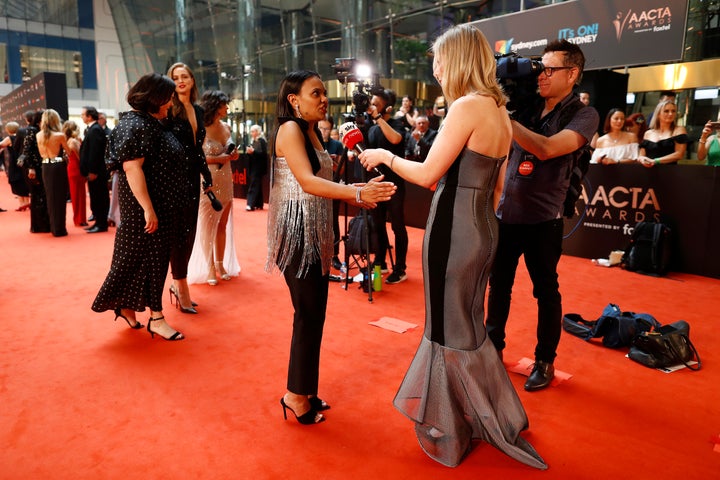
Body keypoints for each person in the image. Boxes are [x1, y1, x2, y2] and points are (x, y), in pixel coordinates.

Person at [360, 24, 546, 469]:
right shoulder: (499, 111)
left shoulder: (466, 107)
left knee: (445, 328)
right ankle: (487, 414)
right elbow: (499, 189)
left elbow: (426, 175)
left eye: (439, 61)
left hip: (453, 231)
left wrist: (384, 157)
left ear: (458, 61)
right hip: (483, 229)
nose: (436, 70)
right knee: (469, 326)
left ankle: (452, 427)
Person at [267, 70, 396, 425]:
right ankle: (294, 395)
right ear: (294, 100)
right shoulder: (291, 129)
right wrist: (357, 194)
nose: (324, 99)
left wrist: (356, 186)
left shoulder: (310, 131)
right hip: (297, 232)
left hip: (316, 232)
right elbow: (307, 183)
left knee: (313, 315)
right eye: (316, 93)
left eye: (325, 92)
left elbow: (321, 181)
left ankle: (304, 388)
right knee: (307, 315)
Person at [486, 40, 599, 392]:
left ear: (573, 74)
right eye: (540, 68)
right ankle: (492, 350)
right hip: (508, 215)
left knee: (546, 292)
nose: (542, 75)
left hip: (543, 220)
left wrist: (503, 117)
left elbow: (547, 149)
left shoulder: (584, 114)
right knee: (498, 288)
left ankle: (545, 360)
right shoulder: (527, 104)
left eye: (550, 69)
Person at [92, 73, 186, 341]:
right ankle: (156, 317)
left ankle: (126, 306)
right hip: (147, 207)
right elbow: (132, 169)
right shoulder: (137, 125)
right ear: (154, 98)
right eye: (167, 99)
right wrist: (148, 208)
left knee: (141, 260)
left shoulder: (146, 122)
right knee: (148, 261)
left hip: (157, 204)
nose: (170, 104)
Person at [167, 62, 213, 314]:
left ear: (192, 80)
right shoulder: (169, 110)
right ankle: (180, 286)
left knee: (189, 233)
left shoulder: (197, 109)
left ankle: (179, 284)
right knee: (178, 233)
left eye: (185, 76)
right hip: (174, 179)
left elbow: (197, 149)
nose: (181, 80)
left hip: (192, 178)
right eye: (175, 77)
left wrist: (206, 175)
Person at [187, 90, 241, 286]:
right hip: (207, 181)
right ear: (215, 106)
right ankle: (209, 266)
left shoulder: (226, 127)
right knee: (207, 225)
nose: (227, 108)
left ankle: (220, 264)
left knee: (222, 224)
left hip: (226, 179)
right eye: (225, 104)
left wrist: (233, 155)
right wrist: (218, 158)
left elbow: (231, 151)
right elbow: (194, 157)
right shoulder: (199, 127)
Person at [366, 88, 408, 284]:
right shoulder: (372, 127)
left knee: (398, 226)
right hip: (376, 185)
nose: (372, 107)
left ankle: (400, 268)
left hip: (395, 185)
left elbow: (395, 139)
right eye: (371, 103)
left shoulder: (396, 124)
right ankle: (379, 263)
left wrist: (378, 119)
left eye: (376, 104)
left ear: (388, 107)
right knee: (377, 226)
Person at [36, 109, 71, 237]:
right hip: (57, 167)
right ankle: (59, 229)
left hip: (45, 166)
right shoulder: (59, 135)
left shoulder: (38, 135)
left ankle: (54, 227)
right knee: (60, 197)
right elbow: (69, 151)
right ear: (55, 120)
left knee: (51, 197)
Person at [318, 117, 345, 269]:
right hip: (317, 187)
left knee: (333, 222)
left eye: (327, 129)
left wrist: (330, 161)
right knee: (318, 222)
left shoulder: (337, 145)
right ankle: (319, 254)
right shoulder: (314, 142)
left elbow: (340, 169)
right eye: (321, 128)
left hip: (334, 187)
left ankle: (334, 255)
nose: (323, 132)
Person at [79, 106, 109, 233]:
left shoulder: (95, 129)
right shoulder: (93, 129)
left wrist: (93, 171)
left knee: (99, 197)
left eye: (83, 114)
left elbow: (95, 153)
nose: (81, 116)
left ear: (89, 116)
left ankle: (101, 224)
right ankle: (98, 222)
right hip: (95, 172)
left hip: (96, 172)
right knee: (96, 197)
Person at [21, 109, 51, 233]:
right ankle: (40, 226)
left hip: (42, 166)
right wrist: (31, 168)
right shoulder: (32, 130)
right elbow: (27, 150)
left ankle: (43, 224)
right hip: (35, 168)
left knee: (42, 196)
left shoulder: (39, 130)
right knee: (39, 196)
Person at [638, 100, 688, 167]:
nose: (670, 114)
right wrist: (642, 159)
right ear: (658, 114)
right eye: (666, 111)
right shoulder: (648, 133)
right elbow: (641, 155)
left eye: (673, 111)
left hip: (669, 171)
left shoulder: (679, 130)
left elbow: (679, 154)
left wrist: (655, 161)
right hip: (648, 171)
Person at [0, 121, 31, 211]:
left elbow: (1, 145)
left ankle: (22, 204)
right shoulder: (23, 136)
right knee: (24, 180)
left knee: (16, 181)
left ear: (8, 129)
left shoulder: (10, 138)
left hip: (14, 162)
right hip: (23, 161)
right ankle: (26, 202)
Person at [62, 120, 87, 227]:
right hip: (77, 169)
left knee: (76, 194)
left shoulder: (68, 140)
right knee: (79, 195)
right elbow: (80, 157)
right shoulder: (74, 141)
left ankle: (79, 218)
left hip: (72, 168)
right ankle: (80, 219)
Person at [245, 124, 268, 211]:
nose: (251, 133)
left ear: (257, 132)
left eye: (253, 131)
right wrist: (249, 152)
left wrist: (253, 152)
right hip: (253, 166)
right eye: (251, 131)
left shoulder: (261, 141)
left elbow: (263, 154)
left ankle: (250, 204)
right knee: (257, 184)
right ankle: (259, 203)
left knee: (254, 184)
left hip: (259, 167)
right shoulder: (252, 141)